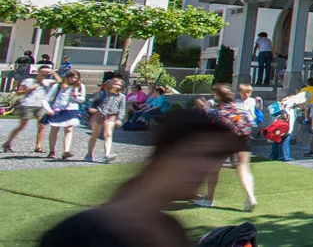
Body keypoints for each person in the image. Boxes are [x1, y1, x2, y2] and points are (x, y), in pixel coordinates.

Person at [38, 109, 242, 247]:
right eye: (195, 154)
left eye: (212, 158)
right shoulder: (75, 235)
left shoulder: (170, 228)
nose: (204, 168)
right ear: (165, 155)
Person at [199, 84, 257, 212]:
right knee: (243, 167)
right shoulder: (240, 107)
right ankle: (251, 197)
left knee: (214, 169)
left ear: (218, 96)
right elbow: (251, 122)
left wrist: (204, 106)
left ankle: (209, 199)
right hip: (244, 136)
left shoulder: (217, 111)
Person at [4, 64, 55, 153]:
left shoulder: (47, 82)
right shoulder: (29, 81)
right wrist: (28, 90)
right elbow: (19, 92)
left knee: (41, 126)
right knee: (22, 126)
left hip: (41, 105)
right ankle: (8, 143)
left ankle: (38, 146)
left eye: (46, 72)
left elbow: (61, 82)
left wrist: (53, 72)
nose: (44, 74)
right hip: (28, 105)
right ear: (38, 72)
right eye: (42, 71)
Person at [44, 70, 87, 159]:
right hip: (58, 109)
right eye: (71, 77)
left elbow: (82, 99)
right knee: (54, 129)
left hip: (72, 109)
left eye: (75, 78)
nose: (73, 79)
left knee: (69, 129)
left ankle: (66, 151)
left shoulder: (80, 87)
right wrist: (48, 109)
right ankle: (52, 151)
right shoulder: (58, 86)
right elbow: (46, 99)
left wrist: (76, 97)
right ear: (66, 77)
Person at [86, 78, 128, 163]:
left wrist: (120, 118)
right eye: (115, 84)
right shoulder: (102, 94)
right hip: (99, 115)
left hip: (111, 116)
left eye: (119, 85)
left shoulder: (121, 96)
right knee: (95, 134)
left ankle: (107, 155)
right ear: (111, 84)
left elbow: (122, 109)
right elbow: (91, 100)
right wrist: (91, 108)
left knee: (108, 134)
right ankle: (89, 153)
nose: (117, 86)